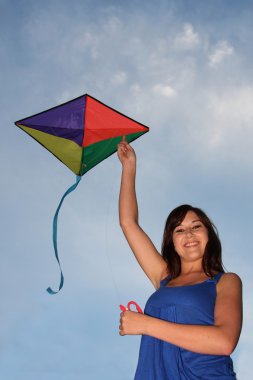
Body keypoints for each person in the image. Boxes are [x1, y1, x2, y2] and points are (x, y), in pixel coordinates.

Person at [117, 137, 242, 380]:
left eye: (196, 227)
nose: (189, 234)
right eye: (180, 230)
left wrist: (145, 325)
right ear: (172, 241)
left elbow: (224, 342)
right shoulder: (163, 277)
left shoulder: (225, 281)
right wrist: (129, 167)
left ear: (209, 234)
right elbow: (128, 223)